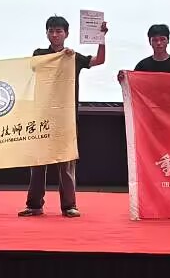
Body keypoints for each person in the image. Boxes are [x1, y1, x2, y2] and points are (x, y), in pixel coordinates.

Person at [20, 14, 106, 218]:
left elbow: (99, 60)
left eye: (59, 31)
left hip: (66, 118)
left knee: (66, 164)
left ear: (66, 34)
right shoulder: (40, 54)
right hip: (42, 116)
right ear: (47, 33)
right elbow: (33, 66)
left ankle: (69, 205)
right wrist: (60, 56)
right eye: (51, 31)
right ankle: (34, 205)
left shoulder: (73, 57)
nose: (55, 34)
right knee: (38, 163)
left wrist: (101, 38)